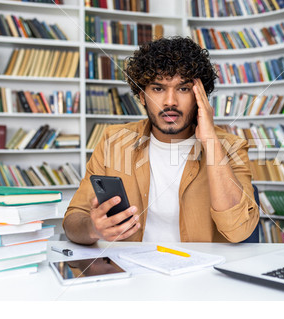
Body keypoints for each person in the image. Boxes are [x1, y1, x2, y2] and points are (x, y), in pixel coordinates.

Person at [63, 36, 259, 244]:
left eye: (183, 89)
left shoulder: (231, 146)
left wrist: (210, 141)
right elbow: (72, 221)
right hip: (134, 271)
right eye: (158, 89)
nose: (170, 102)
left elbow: (239, 231)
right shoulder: (114, 140)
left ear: (199, 96)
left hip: (200, 273)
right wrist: (93, 228)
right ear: (141, 97)